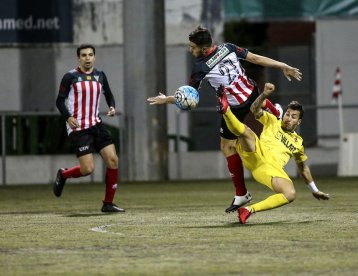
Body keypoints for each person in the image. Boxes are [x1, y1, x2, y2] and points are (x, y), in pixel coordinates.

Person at [147, 26, 302, 213]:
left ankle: (241, 193)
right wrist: (283, 65)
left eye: (192, 47)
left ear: (203, 49)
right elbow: (256, 58)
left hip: (233, 108)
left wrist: (168, 100)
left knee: (227, 146)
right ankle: (270, 107)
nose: (190, 50)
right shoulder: (228, 48)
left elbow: (189, 97)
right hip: (252, 95)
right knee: (255, 118)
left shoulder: (200, 68)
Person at [216, 82, 330, 224]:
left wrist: (314, 189)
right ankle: (226, 110)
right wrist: (264, 94)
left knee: (290, 194)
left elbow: (303, 168)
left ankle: (248, 210)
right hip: (257, 153)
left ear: (299, 122)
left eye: (293, 117)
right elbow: (254, 108)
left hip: (271, 170)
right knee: (246, 132)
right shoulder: (273, 121)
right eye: (287, 114)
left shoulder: (298, 143)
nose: (288, 118)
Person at [54, 44, 125, 213]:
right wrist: (68, 117)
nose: (87, 58)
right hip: (79, 128)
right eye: (84, 55)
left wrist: (112, 106)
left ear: (94, 57)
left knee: (113, 160)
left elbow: (108, 93)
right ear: (78, 58)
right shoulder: (70, 77)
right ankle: (63, 175)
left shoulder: (100, 75)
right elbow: (59, 100)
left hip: (96, 124)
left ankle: (108, 203)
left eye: (90, 55)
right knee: (88, 169)